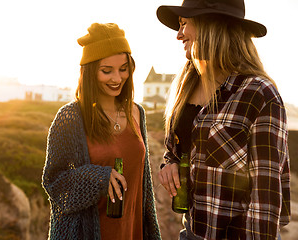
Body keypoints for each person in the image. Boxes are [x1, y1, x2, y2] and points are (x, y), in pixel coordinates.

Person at [156, 0, 291, 239]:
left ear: (211, 26)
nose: (178, 35)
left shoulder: (259, 94)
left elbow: (265, 203)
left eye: (184, 24)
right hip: (192, 232)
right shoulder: (185, 88)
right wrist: (169, 165)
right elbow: (177, 151)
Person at [42, 23, 161, 240]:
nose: (117, 78)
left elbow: (143, 189)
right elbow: (54, 182)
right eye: (107, 71)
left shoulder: (137, 113)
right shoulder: (70, 118)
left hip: (132, 232)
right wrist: (97, 178)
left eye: (123, 69)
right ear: (90, 72)